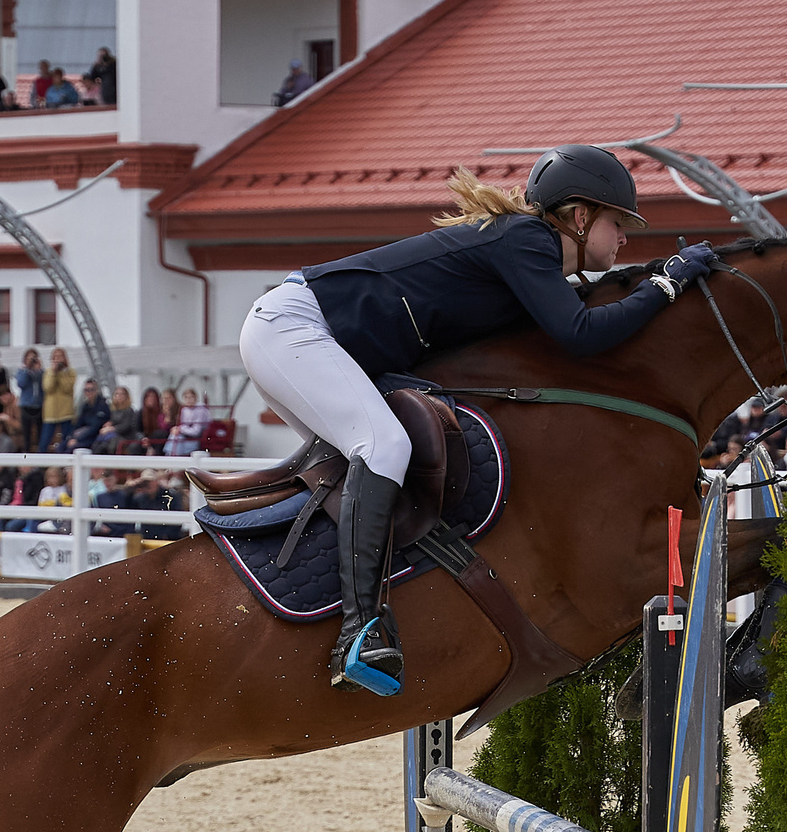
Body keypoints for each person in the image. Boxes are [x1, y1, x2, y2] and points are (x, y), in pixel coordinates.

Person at [240, 145, 716, 694]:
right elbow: (583, 335)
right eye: (618, 223)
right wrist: (665, 284)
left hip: (322, 340)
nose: (625, 238)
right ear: (580, 217)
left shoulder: (529, 262)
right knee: (384, 447)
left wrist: (652, 282)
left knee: (398, 466)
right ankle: (359, 631)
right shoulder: (526, 238)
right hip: (295, 327)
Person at [40, 348, 76, 451]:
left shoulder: (70, 372)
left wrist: (61, 374)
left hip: (66, 412)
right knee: (45, 439)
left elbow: (67, 387)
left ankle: (65, 460)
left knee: (66, 438)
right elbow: (48, 387)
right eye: (55, 357)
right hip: (50, 412)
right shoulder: (48, 372)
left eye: (60, 357)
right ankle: (40, 462)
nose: (57, 360)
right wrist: (53, 373)